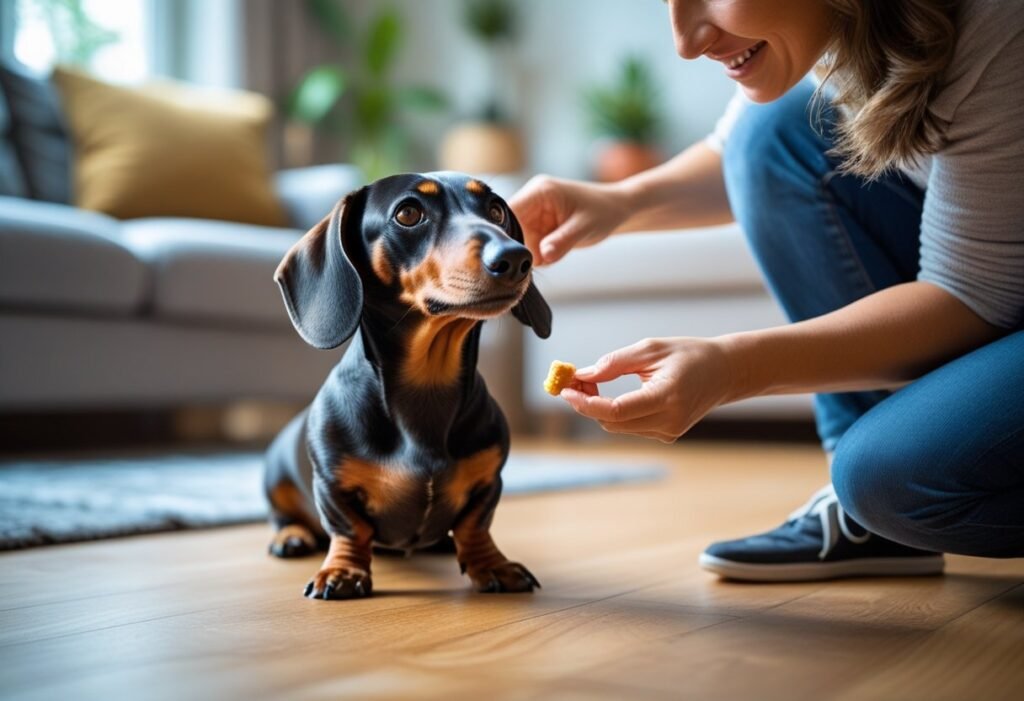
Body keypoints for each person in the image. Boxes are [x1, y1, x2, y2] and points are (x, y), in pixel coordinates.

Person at [509, 0, 1024, 581]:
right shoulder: (846, 23)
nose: (686, 42)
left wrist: (731, 367)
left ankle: (872, 506)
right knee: (771, 133)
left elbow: (972, 298)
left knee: (885, 480)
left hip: (991, 297)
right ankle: (870, 526)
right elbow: (740, 153)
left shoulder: (998, 21)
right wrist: (616, 203)